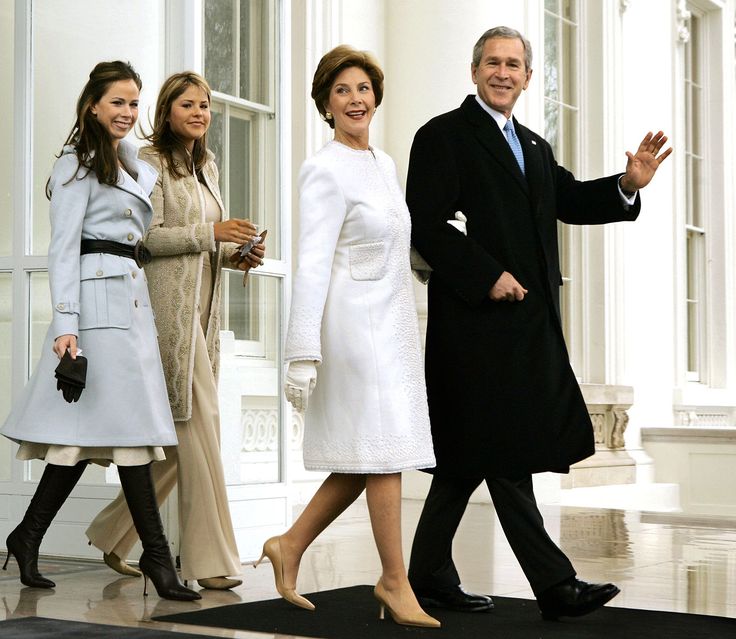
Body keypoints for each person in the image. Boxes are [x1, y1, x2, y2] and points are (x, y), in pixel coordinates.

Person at [405, 26, 672, 621]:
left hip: (527, 327)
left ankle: (424, 574)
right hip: (473, 328)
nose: (503, 73)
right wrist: (486, 275)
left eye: (514, 65)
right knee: (502, 455)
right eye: (493, 63)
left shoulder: (533, 144)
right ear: (474, 71)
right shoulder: (442, 136)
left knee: (469, 458)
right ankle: (555, 585)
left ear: (527, 78)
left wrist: (627, 185)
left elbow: (569, 199)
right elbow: (426, 224)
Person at [0, 61, 199, 601]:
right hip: (92, 309)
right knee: (123, 436)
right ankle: (159, 563)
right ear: (92, 104)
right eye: (117, 102)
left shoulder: (129, 161)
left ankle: (27, 534)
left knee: (84, 439)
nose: (127, 113)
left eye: (134, 103)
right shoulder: (75, 165)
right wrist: (66, 327)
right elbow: (62, 249)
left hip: (128, 303)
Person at [256, 45, 439, 629]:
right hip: (352, 329)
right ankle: (394, 580)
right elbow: (313, 264)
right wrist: (300, 352)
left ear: (375, 97)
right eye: (342, 91)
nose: (355, 99)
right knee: (384, 454)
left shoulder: (384, 165)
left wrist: (436, 258)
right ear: (326, 104)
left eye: (363, 89)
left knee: (369, 456)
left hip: (392, 324)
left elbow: (387, 240)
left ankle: (289, 544)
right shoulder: (324, 169)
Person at [86, 72, 264, 591]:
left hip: (205, 324)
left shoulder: (206, 165)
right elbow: (142, 238)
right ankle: (212, 562)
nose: (199, 113)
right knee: (201, 431)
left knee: (180, 439)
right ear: (166, 112)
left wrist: (239, 253)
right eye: (188, 104)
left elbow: (210, 245)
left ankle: (111, 533)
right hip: (166, 318)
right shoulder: (148, 162)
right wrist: (210, 233)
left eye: (205, 106)